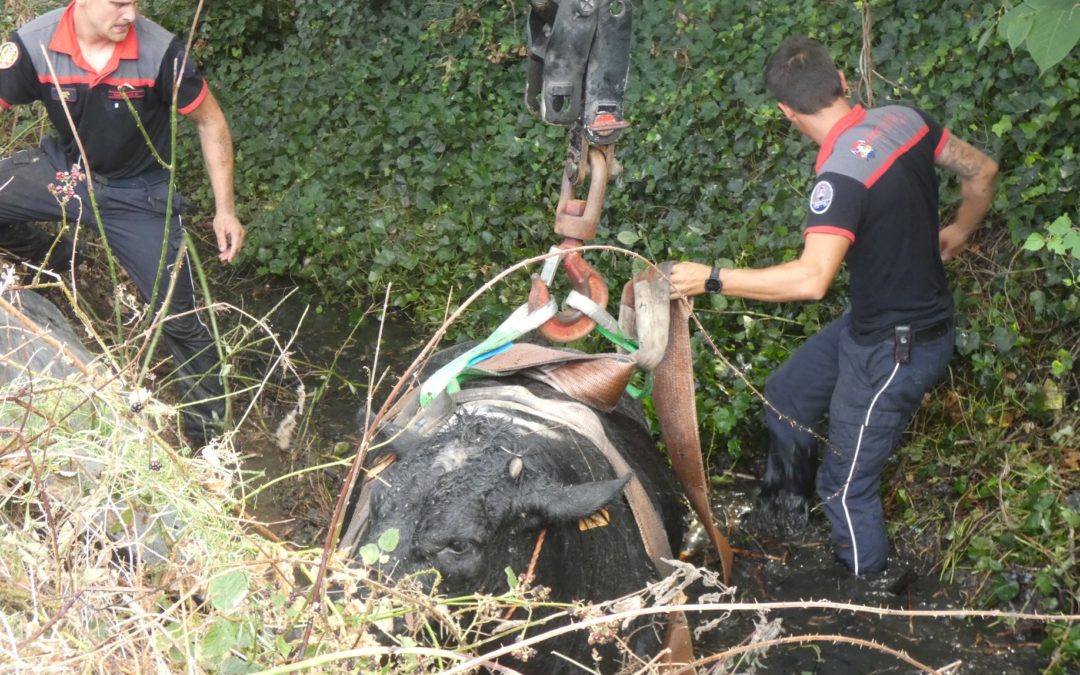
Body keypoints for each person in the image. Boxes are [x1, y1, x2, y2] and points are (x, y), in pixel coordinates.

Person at [669, 36, 998, 576]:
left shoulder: (841, 178)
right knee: (787, 394)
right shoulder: (903, 120)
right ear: (842, 81)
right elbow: (981, 170)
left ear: (786, 112)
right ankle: (785, 513)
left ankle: (871, 598)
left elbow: (811, 278)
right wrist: (961, 229)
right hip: (872, 323)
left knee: (845, 487)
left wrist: (711, 278)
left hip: (900, 348)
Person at [0, 0, 245, 444]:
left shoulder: (160, 52)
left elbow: (212, 123)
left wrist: (224, 209)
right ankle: (48, 261)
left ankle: (207, 441)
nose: (130, 14)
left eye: (135, 2)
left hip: (138, 193)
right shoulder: (34, 44)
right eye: (118, 2)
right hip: (66, 174)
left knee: (180, 317)